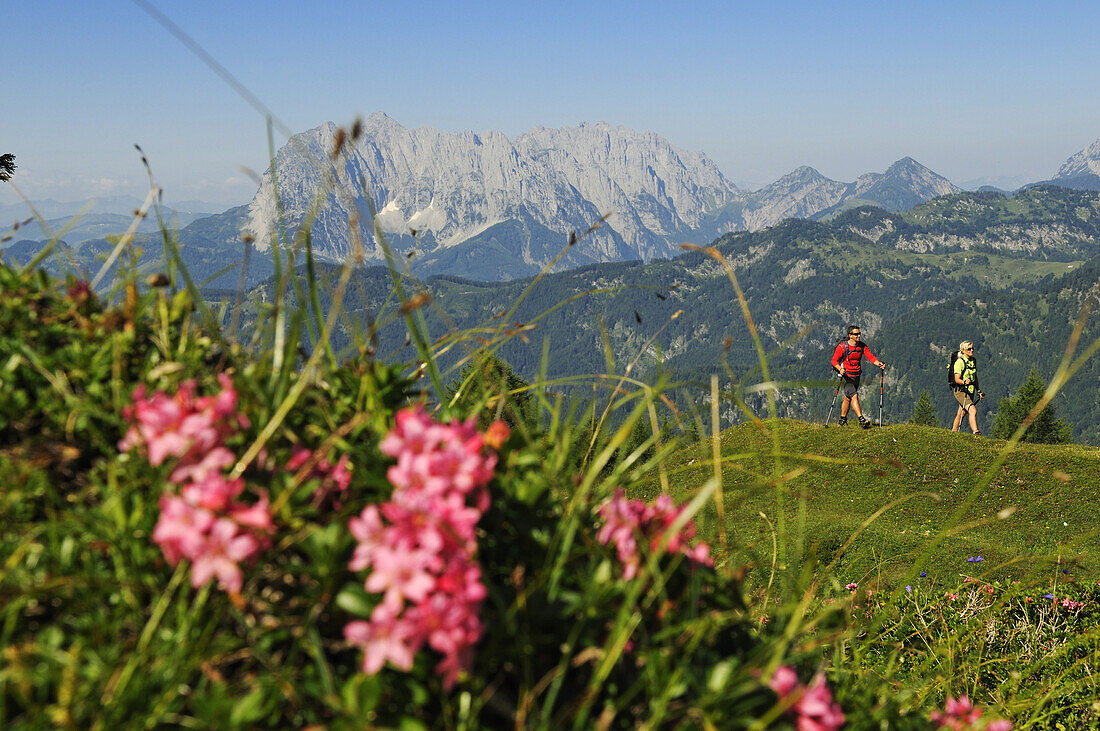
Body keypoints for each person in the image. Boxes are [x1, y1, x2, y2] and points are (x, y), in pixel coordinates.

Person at [830, 325, 886, 429]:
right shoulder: (842, 347)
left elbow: (870, 356)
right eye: (856, 334)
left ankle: (842, 420)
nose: (859, 336)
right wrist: (840, 369)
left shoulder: (862, 346)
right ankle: (861, 419)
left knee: (847, 397)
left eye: (859, 334)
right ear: (850, 335)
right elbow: (834, 361)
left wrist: (879, 363)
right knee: (854, 396)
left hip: (856, 375)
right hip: (847, 376)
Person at [951, 340, 983, 435]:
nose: (972, 350)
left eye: (972, 348)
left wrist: (979, 390)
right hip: (961, 391)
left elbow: (975, 378)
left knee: (961, 413)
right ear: (963, 350)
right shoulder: (959, 362)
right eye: (969, 349)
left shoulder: (973, 361)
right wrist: (964, 382)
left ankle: (953, 432)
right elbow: (957, 379)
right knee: (973, 410)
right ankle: (976, 432)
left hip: (970, 391)